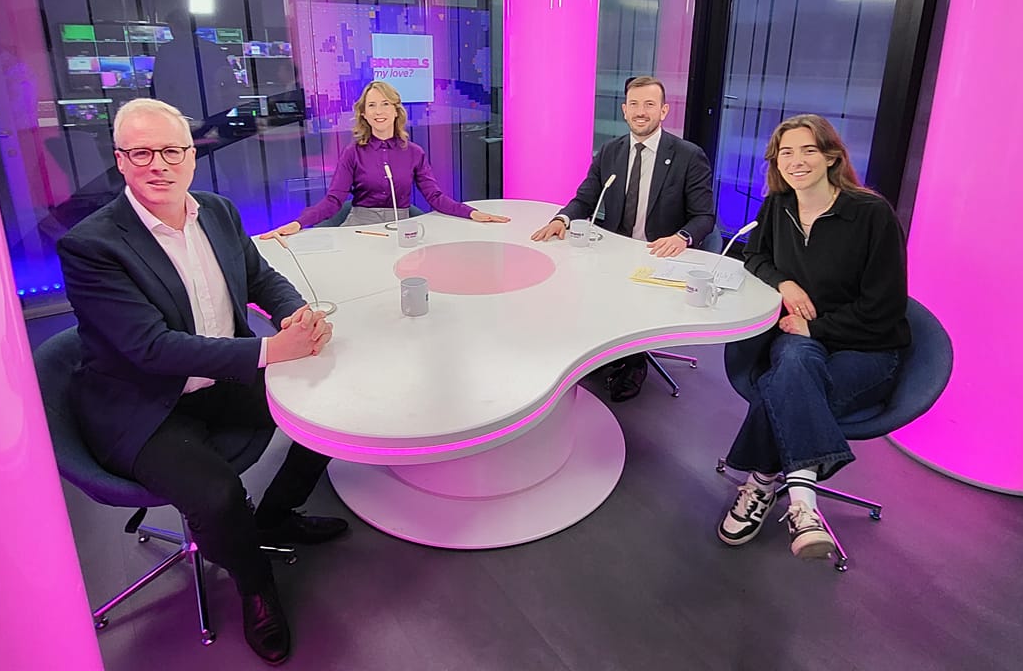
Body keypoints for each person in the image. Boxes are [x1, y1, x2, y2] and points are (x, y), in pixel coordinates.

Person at [57, 98, 345, 665]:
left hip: (221, 377)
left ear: (193, 156)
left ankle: (276, 516)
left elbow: (260, 275)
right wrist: (267, 351)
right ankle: (255, 585)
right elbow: (149, 348)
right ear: (120, 160)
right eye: (141, 152)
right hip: (144, 404)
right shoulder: (93, 245)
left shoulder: (216, 211)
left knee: (326, 412)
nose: (157, 164)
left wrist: (291, 313)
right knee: (216, 495)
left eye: (171, 150)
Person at [717, 114, 909, 562]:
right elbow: (754, 256)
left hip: (867, 348)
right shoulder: (777, 206)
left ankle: (763, 482)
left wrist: (815, 326)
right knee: (797, 363)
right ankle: (804, 505)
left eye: (807, 150)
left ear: (830, 157)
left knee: (779, 385)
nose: (796, 161)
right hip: (799, 342)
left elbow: (884, 311)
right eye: (786, 152)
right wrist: (785, 284)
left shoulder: (870, 215)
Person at [530, 75, 715, 401]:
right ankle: (608, 352)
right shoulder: (610, 152)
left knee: (631, 302)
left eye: (649, 104)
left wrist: (682, 237)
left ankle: (634, 362)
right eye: (634, 104)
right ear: (624, 110)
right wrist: (562, 218)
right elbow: (585, 198)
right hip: (614, 251)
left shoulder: (688, 155)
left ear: (664, 111)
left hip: (660, 256)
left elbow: (705, 216)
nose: (640, 111)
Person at [259, 80, 509, 237]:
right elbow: (334, 201)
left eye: (385, 104)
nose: (379, 111)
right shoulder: (353, 152)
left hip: (401, 228)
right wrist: (297, 224)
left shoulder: (414, 152)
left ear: (396, 110)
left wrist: (473, 213)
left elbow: (435, 197)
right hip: (361, 228)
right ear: (364, 114)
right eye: (372, 106)